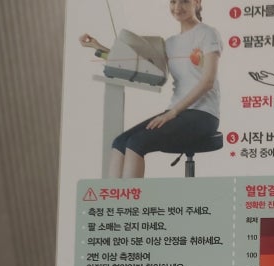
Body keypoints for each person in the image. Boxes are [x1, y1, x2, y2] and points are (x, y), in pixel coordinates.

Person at [80, 0, 222, 178]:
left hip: (203, 114)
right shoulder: (170, 43)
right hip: (175, 113)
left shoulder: (207, 34)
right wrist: (97, 46)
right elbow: (132, 62)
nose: (178, 7)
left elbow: (207, 81)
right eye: (173, 1)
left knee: (137, 143)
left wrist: (172, 112)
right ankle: (114, 197)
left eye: (184, 1)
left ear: (197, 2)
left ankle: (133, 197)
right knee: (120, 143)